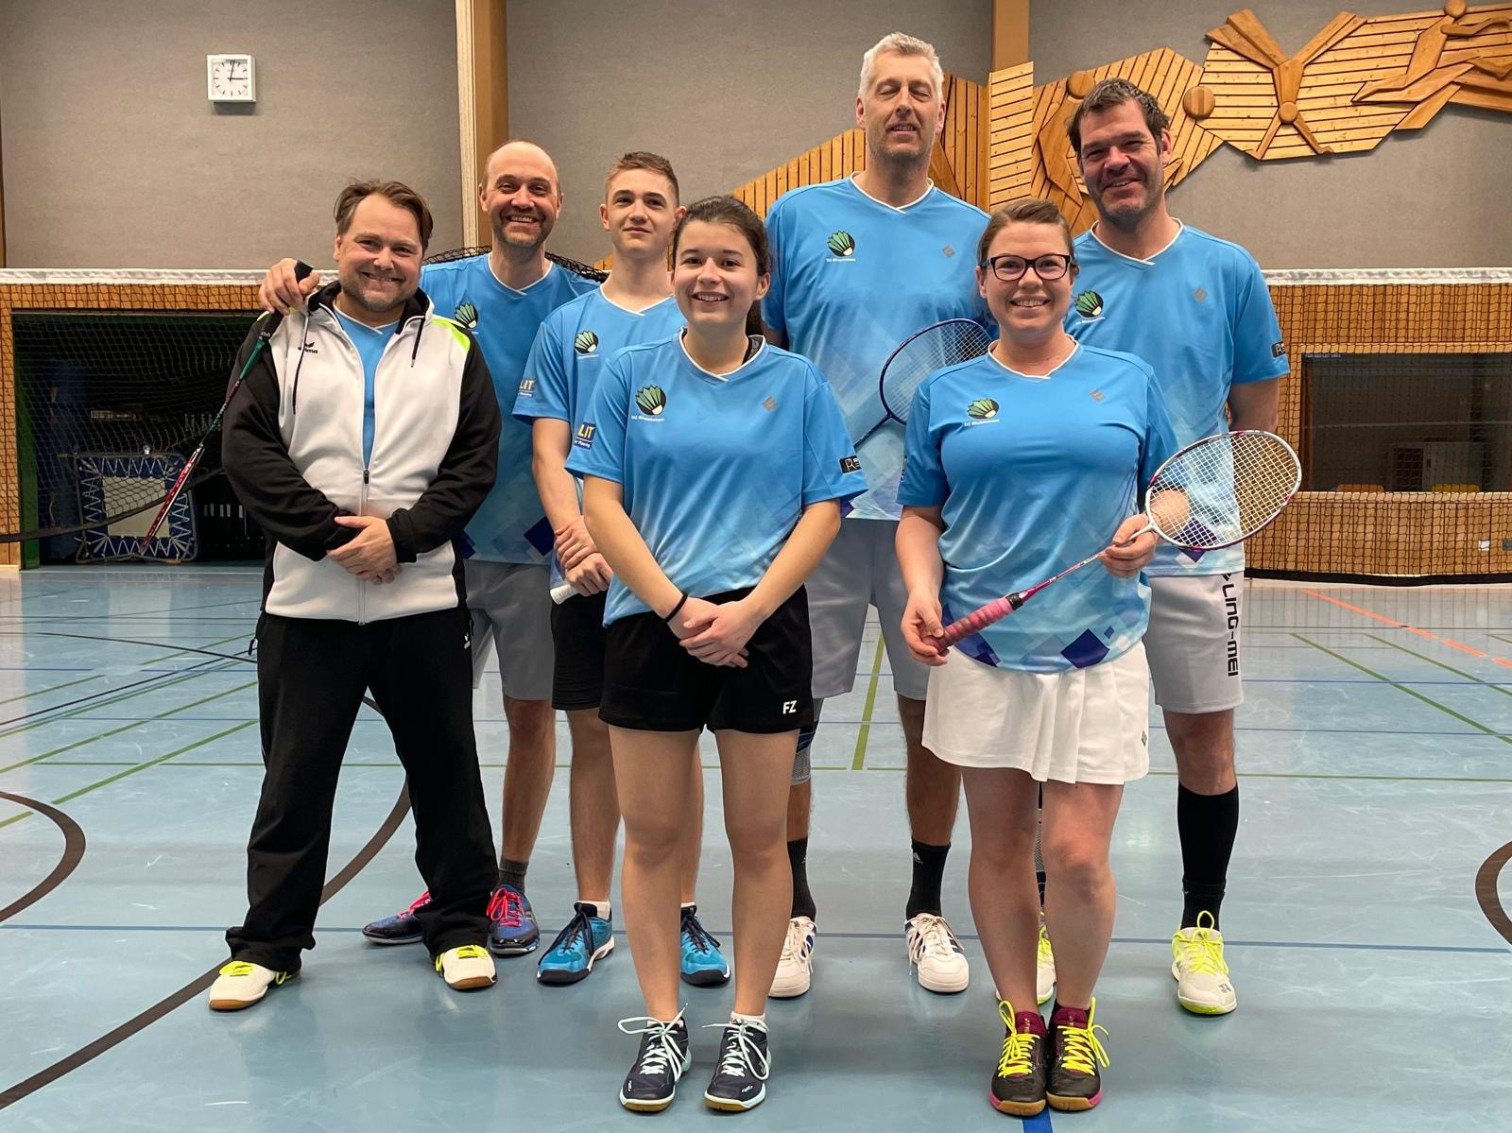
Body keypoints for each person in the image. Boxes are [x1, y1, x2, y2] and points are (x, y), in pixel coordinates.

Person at [259, 141, 598, 958]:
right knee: (436, 729)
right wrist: (287, 279)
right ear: (483, 195)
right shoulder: (433, 286)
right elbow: (346, 294)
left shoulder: (584, 304)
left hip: (538, 550)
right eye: (507, 184)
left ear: (559, 203)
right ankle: (454, 885)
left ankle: (506, 884)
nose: (522, 199)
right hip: (434, 553)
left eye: (539, 187)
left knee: (528, 718)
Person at [568, 196, 864, 1113]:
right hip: (649, 626)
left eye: (729, 261)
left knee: (758, 837)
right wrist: (675, 605)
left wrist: (749, 613)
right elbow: (600, 502)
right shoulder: (628, 374)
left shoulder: (800, 383)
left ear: (760, 280)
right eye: (693, 258)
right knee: (654, 835)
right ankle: (662, 1023)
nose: (709, 275)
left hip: (762, 630)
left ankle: (747, 1022)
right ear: (673, 271)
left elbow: (826, 506)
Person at [897, 197, 1177, 1114]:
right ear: (983, 282)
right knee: (1002, 847)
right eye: (1010, 265)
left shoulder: (1127, 379)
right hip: (983, 650)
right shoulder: (946, 393)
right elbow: (919, 513)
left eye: (1047, 263)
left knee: (1077, 853)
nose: (1029, 280)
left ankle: (1077, 1016)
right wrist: (922, 589)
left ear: (1072, 277)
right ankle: (1023, 1019)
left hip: (1100, 645)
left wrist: (1151, 528)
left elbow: (1175, 492)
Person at [209, 180, 503, 1011]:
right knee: (294, 780)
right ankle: (268, 943)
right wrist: (335, 537)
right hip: (308, 605)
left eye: (402, 247)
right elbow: (246, 448)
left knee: (447, 771)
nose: (384, 260)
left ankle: (460, 925)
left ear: (422, 258)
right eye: (369, 242)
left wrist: (400, 539)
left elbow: (474, 463)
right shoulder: (280, 332)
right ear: (338, 245)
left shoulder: (454, 346)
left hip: (422, 603)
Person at [761, 31, 990, 999]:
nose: (903, 103)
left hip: (928, 525)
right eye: (886, 89)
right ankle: (792, 909)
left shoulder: (976, 232)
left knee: (931, 719)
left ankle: (925, 908)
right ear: (859, 109)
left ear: (942, 111)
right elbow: (768, 358)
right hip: (814, 518)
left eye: (919, 90)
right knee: (791, 721)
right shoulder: (796, 218)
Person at [1062, 78, 1288, 1015]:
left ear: (1165, 147)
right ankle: (1053, 920)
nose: (1116, 161)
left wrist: (1202, 513)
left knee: (1204, 743)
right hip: (1082, 555)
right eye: (1096, 151)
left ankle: (1200, 926)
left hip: (1196, 554)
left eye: (1130, 143)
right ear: (1080, 170)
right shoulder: (1059, 271)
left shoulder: (1228, 270)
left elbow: (1254, 422)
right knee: (1065, 751)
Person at [514, 152, 727, 987]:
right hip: (587, 570)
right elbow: (547, 448)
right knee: (593, 736)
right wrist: (575, 537)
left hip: (679, 569)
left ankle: (682, 911)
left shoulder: (703, 315)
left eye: (655, 201)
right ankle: (592, 910)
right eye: (625, 200)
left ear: (677, 217)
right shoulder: (567, 326)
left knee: (681, 741)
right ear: (603, 215)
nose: (639, 211)